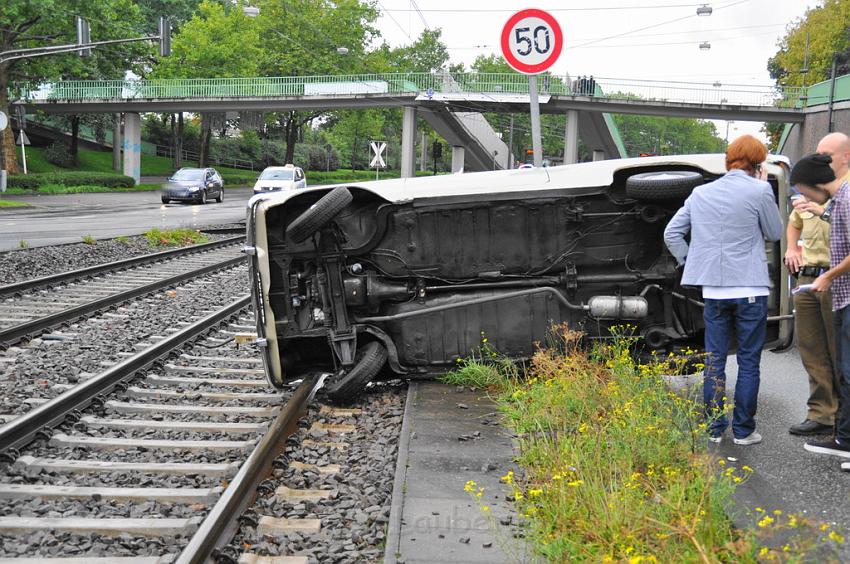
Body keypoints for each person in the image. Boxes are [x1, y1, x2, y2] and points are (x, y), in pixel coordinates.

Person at [664, 135, 783, 445]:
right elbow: (774, 232)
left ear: (728, 160)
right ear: (758, 164)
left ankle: (715, 429)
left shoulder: (700, 193)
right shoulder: (759, 190)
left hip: (714, 291)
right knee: (748, 361)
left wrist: (692, 260)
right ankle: (744, 431)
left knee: (715, 359)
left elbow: (672, 233)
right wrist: (764, 186)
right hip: (750, 289)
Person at [784, 133, 850, 435]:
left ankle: (843, 420)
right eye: (819, 153)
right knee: (812, 350)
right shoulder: (813, 186)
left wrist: (823, 211)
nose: (821, 159)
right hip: (809, 277)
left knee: (841, 353)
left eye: (828, 154)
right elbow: (793, 223)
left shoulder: (841, 193)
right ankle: (821, 413)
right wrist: (791, 248)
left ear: (846, 156)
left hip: (835, 277)